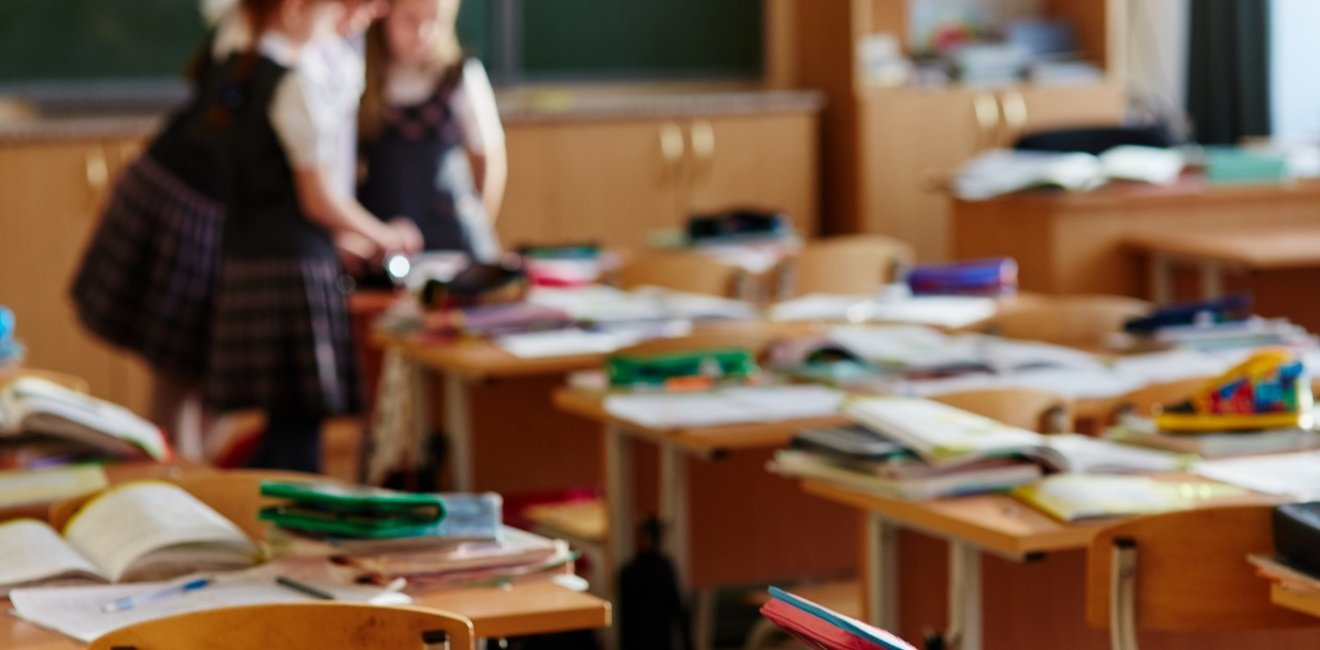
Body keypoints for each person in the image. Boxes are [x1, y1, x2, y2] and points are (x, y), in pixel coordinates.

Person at [202, 0, 420, 472]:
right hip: (292, 271)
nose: (342, 24)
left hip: (247, 259)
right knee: (298, 438)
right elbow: (316, 197)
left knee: (284, 428)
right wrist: (385, 235)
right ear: (297, 8)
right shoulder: (293, 82)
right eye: (333, 12)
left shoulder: (233, 74)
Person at [68, 8, 238, 459]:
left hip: (221, 213)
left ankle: (184, 483)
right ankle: (171, 491)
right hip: (184, 200)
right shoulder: (254, 40)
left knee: (205, 384)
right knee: (178, 375)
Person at [355, 0, 506, 287]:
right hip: (388, 237)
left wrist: (477, 220)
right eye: (410, 20)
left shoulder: (460, 74)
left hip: (453, 234)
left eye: (434, 20)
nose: (422, 32)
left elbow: (489, 158)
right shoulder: (361, 77)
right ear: (384, 17)